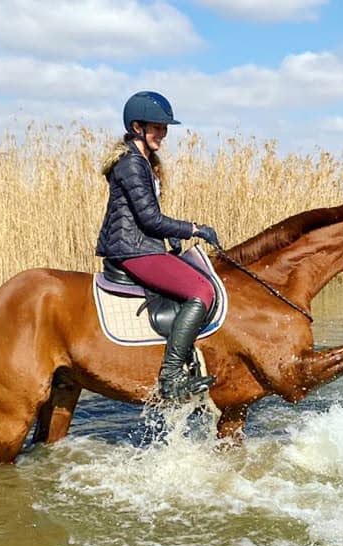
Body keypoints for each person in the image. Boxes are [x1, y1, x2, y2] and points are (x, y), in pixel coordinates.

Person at [96, 91, 221, 400]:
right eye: (158, 128)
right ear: (137, 127)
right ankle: (172, 375)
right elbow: (150, 219)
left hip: (142, 244)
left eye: (165, 129)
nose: (163, 135)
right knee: (203, 291)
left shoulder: (142, 161)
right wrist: (193, 229)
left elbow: (146, 218)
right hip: (132, 250)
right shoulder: (131, 164)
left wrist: (172, 236)